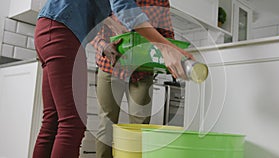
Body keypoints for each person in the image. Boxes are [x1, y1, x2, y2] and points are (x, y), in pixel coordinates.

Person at [33, 0, 193, 157]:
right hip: (63, 33)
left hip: (49, 28)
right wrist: (166, 48)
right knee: (71, 125)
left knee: (52, 121)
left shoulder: (161, 2)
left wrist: (113, 23)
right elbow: (123, 6)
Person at [89, 1, 188, 157]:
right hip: (110, 65)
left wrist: (172, 54)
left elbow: (167, 33)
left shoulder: (161, 2)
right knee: (106, 124)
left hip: (142, 71)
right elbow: (91, 22)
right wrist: (103, 46)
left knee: (140, 124)